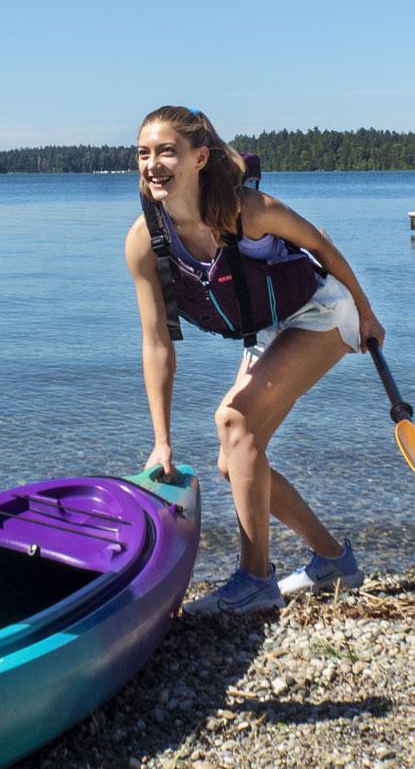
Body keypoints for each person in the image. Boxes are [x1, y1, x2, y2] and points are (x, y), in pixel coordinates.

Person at [125, 106, 383, 613]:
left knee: (233, 422)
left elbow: (320, 245)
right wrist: (161, 443)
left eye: (166, 151)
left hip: (322, 311)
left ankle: (255, 580)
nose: (153, 164)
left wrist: (367, 315)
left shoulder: (250, 209)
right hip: (268, 327)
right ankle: (334, 562)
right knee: (234, 461)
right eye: (143, 153)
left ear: (199, 158)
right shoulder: (144, 240)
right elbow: (157, 342)